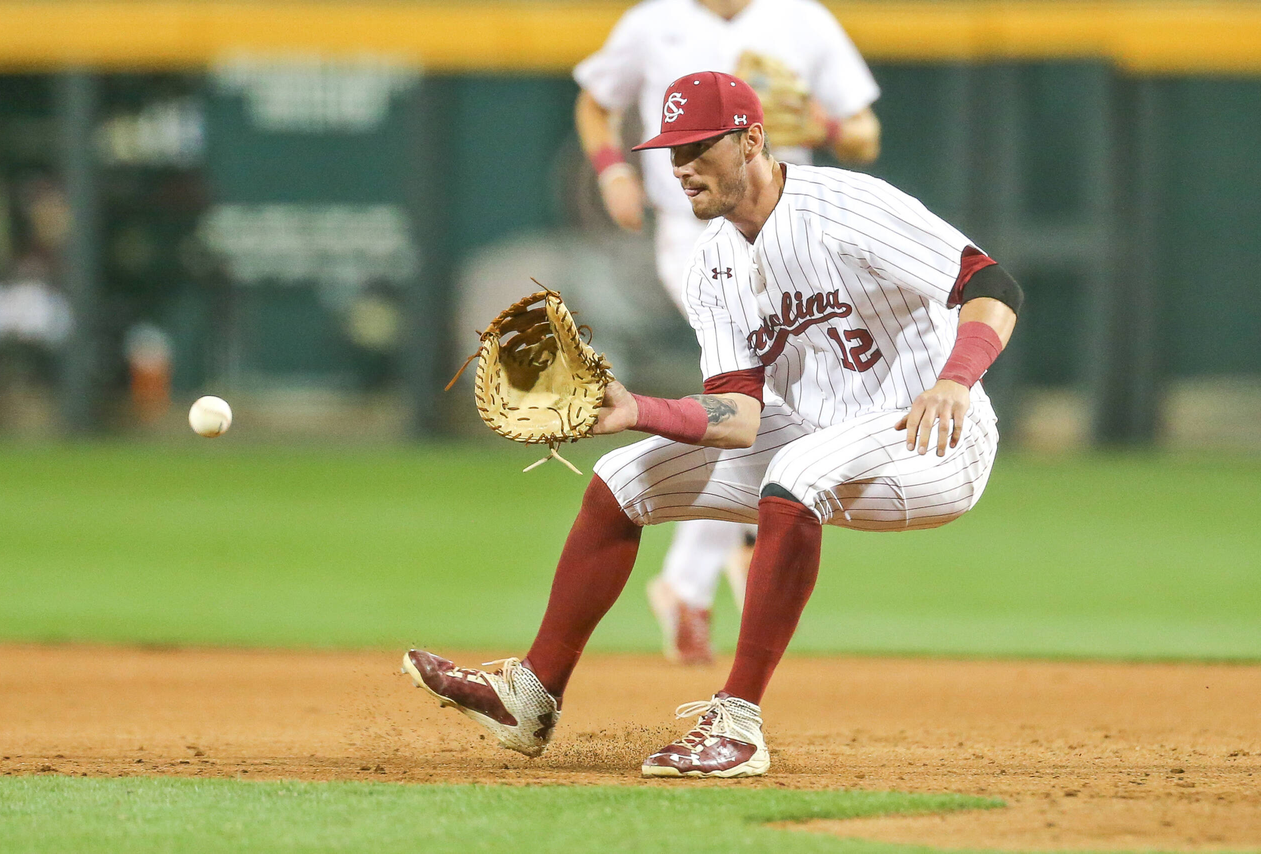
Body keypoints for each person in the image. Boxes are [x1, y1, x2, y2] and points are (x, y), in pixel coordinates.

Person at [404, 72, 1023, 778]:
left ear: (752, 140)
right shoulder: (714, 267)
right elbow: (738, 418)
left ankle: (738, 722)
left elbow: (991, 283)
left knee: (797, 471)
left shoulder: (846, 206)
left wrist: (955, 379)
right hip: (822, 434)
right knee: (623, 479)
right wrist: (638, 411)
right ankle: (531, 695)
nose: (679, 169)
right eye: (671, 151)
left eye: (699, 148)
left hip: (933, 442)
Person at [574, 0, 883, 665]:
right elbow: (594, 102)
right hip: (693, 236)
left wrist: (826, 124)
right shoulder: (652, 22)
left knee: (774, 411)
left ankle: (686, 583)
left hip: (793, 233)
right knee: (767, 401)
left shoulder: (802, 19)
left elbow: (865, 135)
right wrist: (613, 169)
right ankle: (693, 581)